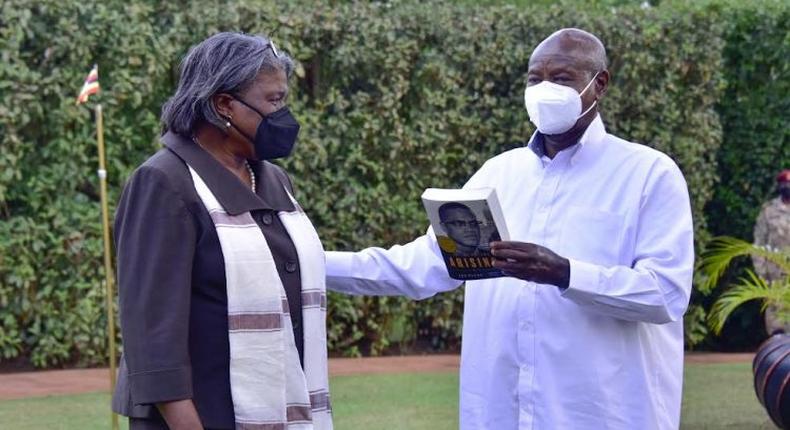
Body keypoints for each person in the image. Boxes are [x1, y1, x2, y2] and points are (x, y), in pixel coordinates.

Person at [326, 28, 693, 430]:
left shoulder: (648, 174)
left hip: (600, 413)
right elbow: (422, 265)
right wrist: (307, 262)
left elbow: (666, 293)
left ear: (598, 84)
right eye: (535, 78)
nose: (544, 89)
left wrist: (564, 273)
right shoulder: (499, 173)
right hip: (502, 410)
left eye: (562, 77)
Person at [111, 33, 332, 430]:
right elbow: (152, 339)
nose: (285, 115)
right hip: (202, 416)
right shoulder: (164, 182)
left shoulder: (273, 179)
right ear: (224, 105)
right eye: (274, 100)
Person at [753, 169, 790, 334]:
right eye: (784, 184)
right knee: (777, 327)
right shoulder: (769, 211)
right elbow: (759, 245)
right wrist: (762, 273)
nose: (787, 187)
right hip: (775, 276)